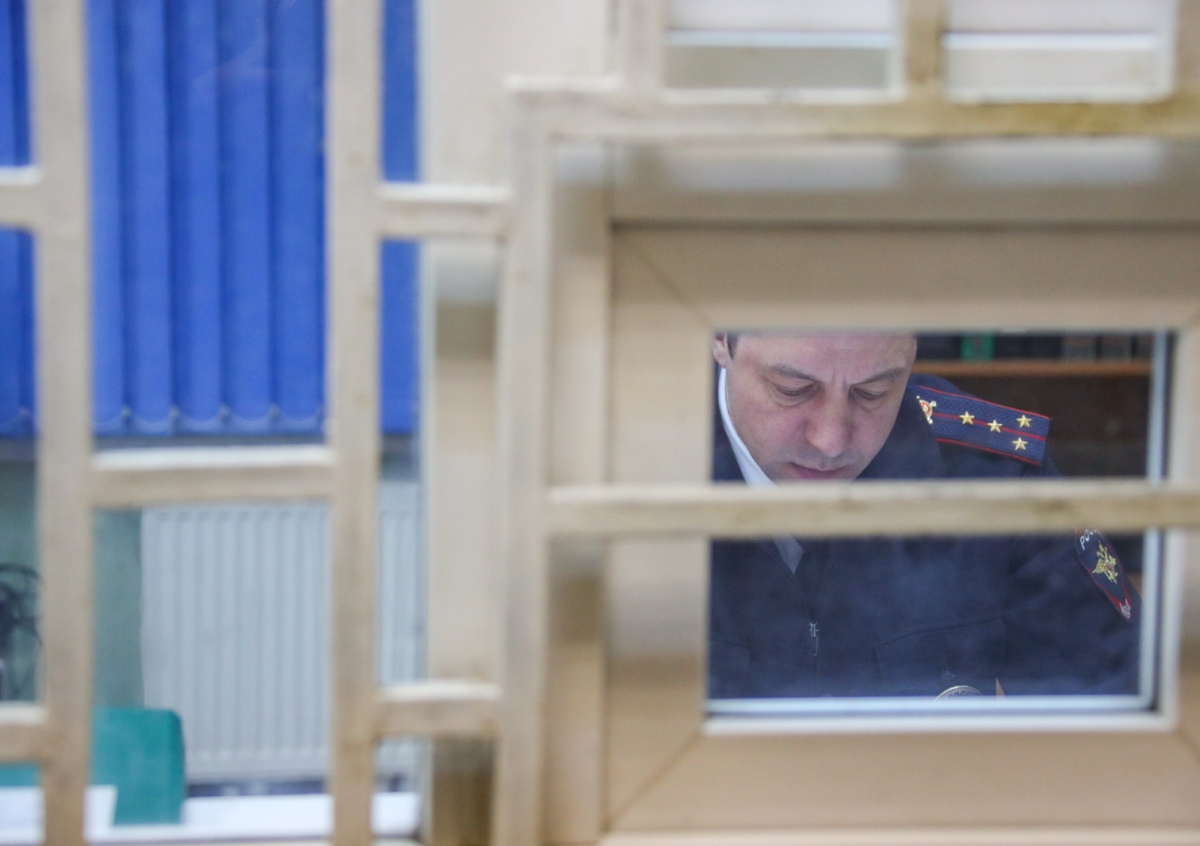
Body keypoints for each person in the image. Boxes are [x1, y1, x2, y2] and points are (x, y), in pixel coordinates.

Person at [709, 331, 1139, 699]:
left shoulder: (991, 477)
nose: (831, 441)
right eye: (792, 389)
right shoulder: (666, 469)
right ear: (720, 338)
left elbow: (1123, 705)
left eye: (872, 393)